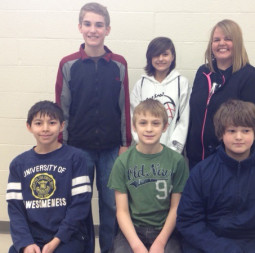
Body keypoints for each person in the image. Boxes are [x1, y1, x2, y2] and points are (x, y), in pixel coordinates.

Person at [55, 3, 131, 252]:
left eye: (99, 25)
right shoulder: (68, 64)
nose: (93, 29)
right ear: (80, 27)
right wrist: (61, 145)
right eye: (88, 24)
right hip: (77, 149)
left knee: (110, 204)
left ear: (107, 29)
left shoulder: (119, 64)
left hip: (111, 149)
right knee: (80, 203)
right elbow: (62, 107)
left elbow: (124, 106)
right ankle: (84, 248)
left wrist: (124, 144)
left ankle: (108, 248)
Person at [177, 99, 255, 253]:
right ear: (221, 133)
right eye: (232, 131)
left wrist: (254, 250)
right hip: (210, 247)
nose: (239, 137)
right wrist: (223, 248)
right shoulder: (201, 173)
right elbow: (188, 221)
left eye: (246, 130)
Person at [6, 101, 92, 253]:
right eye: (38, 123)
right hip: (32, 238)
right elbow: (15, 210)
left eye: (52, 123)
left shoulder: (76, 159)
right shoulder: (18, 164)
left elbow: (80, 206)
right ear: (29, 126)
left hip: (67, 237)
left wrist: (56, 241)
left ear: (61, 126)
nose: (45, 128)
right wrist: (26, 244)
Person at [108, 99, 189, 253]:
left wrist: (160, 242)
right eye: (143, 123)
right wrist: (137, 246)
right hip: (133, 230)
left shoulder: (176, 161)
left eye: (155, 123)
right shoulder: (123, 162)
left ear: (165, 127)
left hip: (165, 230)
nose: (149, 129)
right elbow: (122, 211)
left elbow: (176, 207)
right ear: (134, 126)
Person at [186, 19, 255, 168]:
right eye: (216, 40)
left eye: (228, 39)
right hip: (196, 162)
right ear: (211, 45)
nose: (221, 43)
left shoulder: (251, 78)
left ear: (237, 43)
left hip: (229, 164)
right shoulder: (202, 73)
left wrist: (247, 164)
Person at [130, 37, 191, 154]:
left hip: (171, 152)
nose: (161, 59)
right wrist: (141, 143)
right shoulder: (141, 84)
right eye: (156, 55)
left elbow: (184, 119)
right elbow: (134, 115)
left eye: (165, 54)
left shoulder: (181, 83)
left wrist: (174, 149)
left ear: (172, 57)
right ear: (150, 57)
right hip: (144, 150)